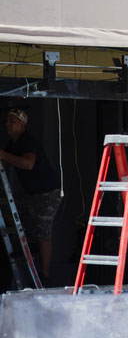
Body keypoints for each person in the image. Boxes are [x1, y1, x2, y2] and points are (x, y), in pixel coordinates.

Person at [0, 108, 61, 281]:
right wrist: (5, 158)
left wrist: (5, 155)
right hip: (29, 193)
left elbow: (28, 164)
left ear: (22, 124)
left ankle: (45, 274)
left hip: (47, 192)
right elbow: (4, 164)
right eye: (6, 122)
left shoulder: (28, 141)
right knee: (14, 217)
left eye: (12, 122)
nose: (7, 125)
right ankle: (29, 246)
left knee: (43, 232)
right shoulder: (13, 143)